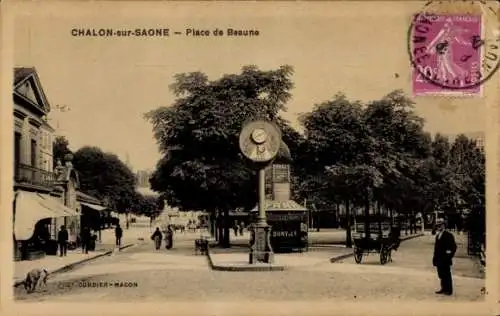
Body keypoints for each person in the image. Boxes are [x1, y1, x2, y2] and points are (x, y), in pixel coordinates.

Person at [433, 218, 457, 295]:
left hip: (445, 259)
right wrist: (434, 258)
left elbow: (453, 247)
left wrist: (449, 255)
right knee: (441, 274)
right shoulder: (438, 236)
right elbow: (436, 248)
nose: (439, 227)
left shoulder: (448, 235)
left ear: (444, 226)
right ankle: (443, 288)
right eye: (438, 225)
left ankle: (449, 290)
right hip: (439, 258)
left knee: (447, 274)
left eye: (441, 225)